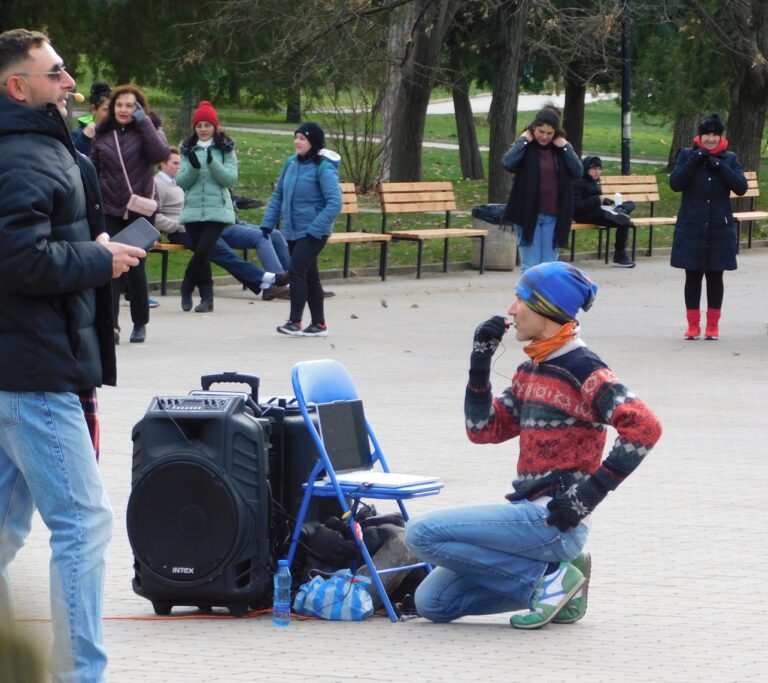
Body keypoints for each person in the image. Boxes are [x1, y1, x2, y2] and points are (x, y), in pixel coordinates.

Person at [0, 28, 145, 681]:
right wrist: (97, 258)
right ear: (17, 86)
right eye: (55, 72)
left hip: (26, 367)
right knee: (83, 524)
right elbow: (20, 259)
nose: (69, 83)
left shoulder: (40, 147)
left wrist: (94, 247)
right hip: (34, 373)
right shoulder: (23, 155)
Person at [405, 261, 662, 628]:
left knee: (421, 533)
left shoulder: (585, 369)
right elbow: (483, 429)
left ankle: (549, 582)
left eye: (520, 299)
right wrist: (480, 362)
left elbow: (645, 427)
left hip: (555, 518)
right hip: (529, 517)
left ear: (545, 308)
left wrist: (589, 494)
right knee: (434, 602)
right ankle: (560, 579)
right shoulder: (531, 370)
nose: (511, 310)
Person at [91, 83, 170, 343]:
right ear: (112, 107)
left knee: (136, 268)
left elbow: (160, 155)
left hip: (140, 210)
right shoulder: (103, 134)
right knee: (111, 266)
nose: (124, 109)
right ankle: (111, 325)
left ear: (139, 108)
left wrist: (144, 122)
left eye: (130, 105)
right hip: (110, 208)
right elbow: (93, 168)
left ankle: (140, 322)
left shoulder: (147, 131)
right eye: (119, 105)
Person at [155, 148, 290, 298]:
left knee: (269, 236)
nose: (180, 167)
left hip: (208, 225)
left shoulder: (182, 182)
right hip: (183, 230)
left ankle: (284, 282)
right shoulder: (157, 184)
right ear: (162, 164)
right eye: (175, 163)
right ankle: (271, 281)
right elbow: (155, 217)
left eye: (181, 163)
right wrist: (179, 225)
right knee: (227, 255)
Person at [669, 112, 747, 341]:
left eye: (715, 135)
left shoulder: (729, 158)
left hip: (718, 227)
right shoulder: (687, 155)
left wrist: (720, 166)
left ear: (720, 136)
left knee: (715, 276)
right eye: (707, 135)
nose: (711, 139)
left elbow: (741, 187)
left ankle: (713, 326)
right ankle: (693, 325)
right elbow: (676, 183)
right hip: (692, 226)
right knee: (692, 276)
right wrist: (696, 159)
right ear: (700, 136)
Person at [260, 121, 342, 337]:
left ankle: (294, 322)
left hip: (314, 232)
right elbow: (279, 194)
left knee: (296, 271)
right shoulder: (291, 163)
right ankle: (319, 325)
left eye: (302, 138)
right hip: (293, 229)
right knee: (310, 276)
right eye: (296, 137)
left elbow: (335, 202)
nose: (297, 141)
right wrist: (268, 222)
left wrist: (316, 228)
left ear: (313, 142)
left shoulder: (324, 168)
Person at [502, 105, 582, 273]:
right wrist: (522, 141)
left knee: (550, 267)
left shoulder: (559, 149)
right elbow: (508, 163)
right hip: (527, 214)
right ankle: (529, 292)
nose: (545, 137)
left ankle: (545, 292)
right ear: (533, 128)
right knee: (531, 266)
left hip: (553, 215)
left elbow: (577, 171)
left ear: (556, 133)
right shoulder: (526, 147)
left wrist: (566, 146)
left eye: (549, 133)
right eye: (541, 131)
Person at [177, 100, 238, 313]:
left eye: (207, 125)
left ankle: (186, 285)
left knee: (203, 251)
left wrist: (213, 163)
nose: (203, 129)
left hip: (217, 209)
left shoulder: (225, 148)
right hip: (193, 210)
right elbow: (181, 181)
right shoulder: (187, 148)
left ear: (215, 126)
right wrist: (193, 167)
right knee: (202, 254)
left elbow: (230, 179)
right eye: (199, 125)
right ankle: (207, 298)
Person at [572, 155, 637, 268]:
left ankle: (619, 211)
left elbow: (598, 199)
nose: (597, 172)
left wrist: (606, 202)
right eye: (594, 169)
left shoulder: (596, 181)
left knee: (629, 208)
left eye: (599, 169)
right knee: (623, 220)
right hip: (583, 215)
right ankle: (620, 257)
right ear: (586, 168)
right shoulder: (578, 182)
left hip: (598, 210)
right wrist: (597, 199)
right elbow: (577, 207)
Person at [70, 80, 110, 155]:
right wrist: (85, 139)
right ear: (94, 109)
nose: (111, 114)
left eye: (113, 109)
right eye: (106, 110)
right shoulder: (78, 134)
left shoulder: (120, 132)